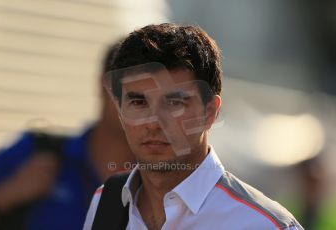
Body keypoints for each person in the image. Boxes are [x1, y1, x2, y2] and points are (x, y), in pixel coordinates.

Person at [83, 23, 304, 230]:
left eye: (174, 103)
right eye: (139, 102)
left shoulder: (264, 225)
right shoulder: (106, 201)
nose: (153, 122)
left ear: (210, 112)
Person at [0, 42, 135, 230]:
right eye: (134, 94)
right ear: (104, 86)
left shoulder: (167, 178)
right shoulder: (35, 152)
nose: (147, 109)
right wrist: (5, 196)